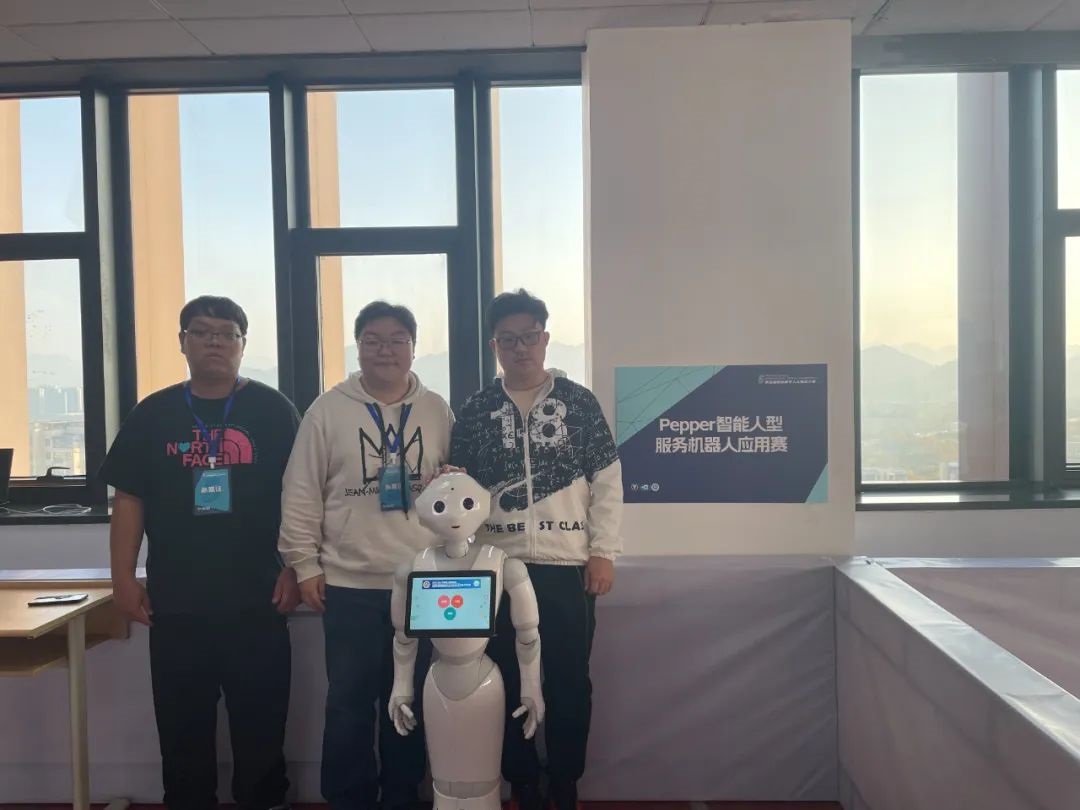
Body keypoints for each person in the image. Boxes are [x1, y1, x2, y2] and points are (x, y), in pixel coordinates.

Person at [102, 295, 301, 810]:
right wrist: (123, 578)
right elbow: (129, 499)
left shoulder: (275, 411)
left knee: (262, 727)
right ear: (182, 342)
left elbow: (303, 499)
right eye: (202, 332)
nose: (215, 341)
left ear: (242, 344)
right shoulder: (153, 413)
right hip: (176, 603)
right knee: (181, 730)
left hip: (259, 598)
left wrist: (297, 567)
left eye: (226, 333)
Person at [449, 289, 624, 810]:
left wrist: (603, 551)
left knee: (569, 679)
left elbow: (608, 482)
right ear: (494, 346)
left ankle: (565, 779)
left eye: (529, 337)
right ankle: (521, 778)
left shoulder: (579, 404)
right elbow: (462, 491)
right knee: (503, 678)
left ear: (545, 339)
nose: (520, 348)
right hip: (497, 568)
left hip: (567, 565)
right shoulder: (476, 411)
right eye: (508, 339)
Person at [279, 301, 454, 810]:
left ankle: (402, 795)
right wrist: (304, 564)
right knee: (349, 703)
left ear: (413, 348)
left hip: (421, 581)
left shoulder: (436, 409)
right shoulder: (327, 410)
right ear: (357, 348)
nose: (385, 350)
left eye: (398, 340)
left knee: (410, 699)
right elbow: (300, 493)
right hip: (349, 583)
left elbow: (456, 488)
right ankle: (348, 798)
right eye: (373, 340)